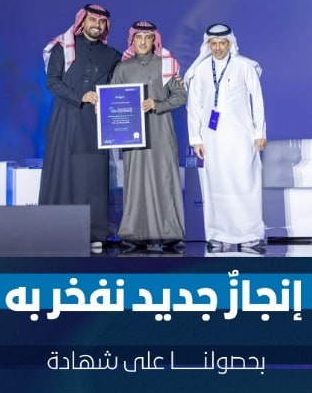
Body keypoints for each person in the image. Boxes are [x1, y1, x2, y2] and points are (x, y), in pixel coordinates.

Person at [39, 4, 121, 248]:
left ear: (106, 26)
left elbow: (121, 85)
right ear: (82, 21)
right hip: (65, 119)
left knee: (93, 175)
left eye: (102, 22)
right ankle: (56, 231)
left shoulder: (112, 56)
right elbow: (52, 82)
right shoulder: (63, 48)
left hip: (94, 123)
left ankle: (94, 234)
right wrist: (81, 96)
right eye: (92, 20)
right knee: (62, 173)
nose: (97, 25)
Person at [185, 23, 267, 252]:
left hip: (243, 137)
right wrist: (196, 139)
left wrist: (259, 133)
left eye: (222, 43)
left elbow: (257, 101)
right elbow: (194, 106)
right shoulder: (201, 70)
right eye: (214, 43)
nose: (218, 48)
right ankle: (218, 236)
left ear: (230, 44)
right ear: (208, 44)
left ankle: (250, 237)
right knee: (215, 185)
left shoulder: (244, 66)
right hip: (213, 139)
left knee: (245, 183)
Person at [111, 20, 186, 252]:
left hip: (161, 129)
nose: (143, 42)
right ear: (132, 40)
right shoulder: (122, 68)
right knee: (135, 181)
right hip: (132, 135)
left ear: (154, 40)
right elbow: (113, 99)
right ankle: (133, 234)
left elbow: (181, 96)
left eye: (147, 38)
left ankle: (170, 234)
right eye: (139, 38)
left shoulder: (166, 64)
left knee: (165, 179)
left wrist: (158, 104)